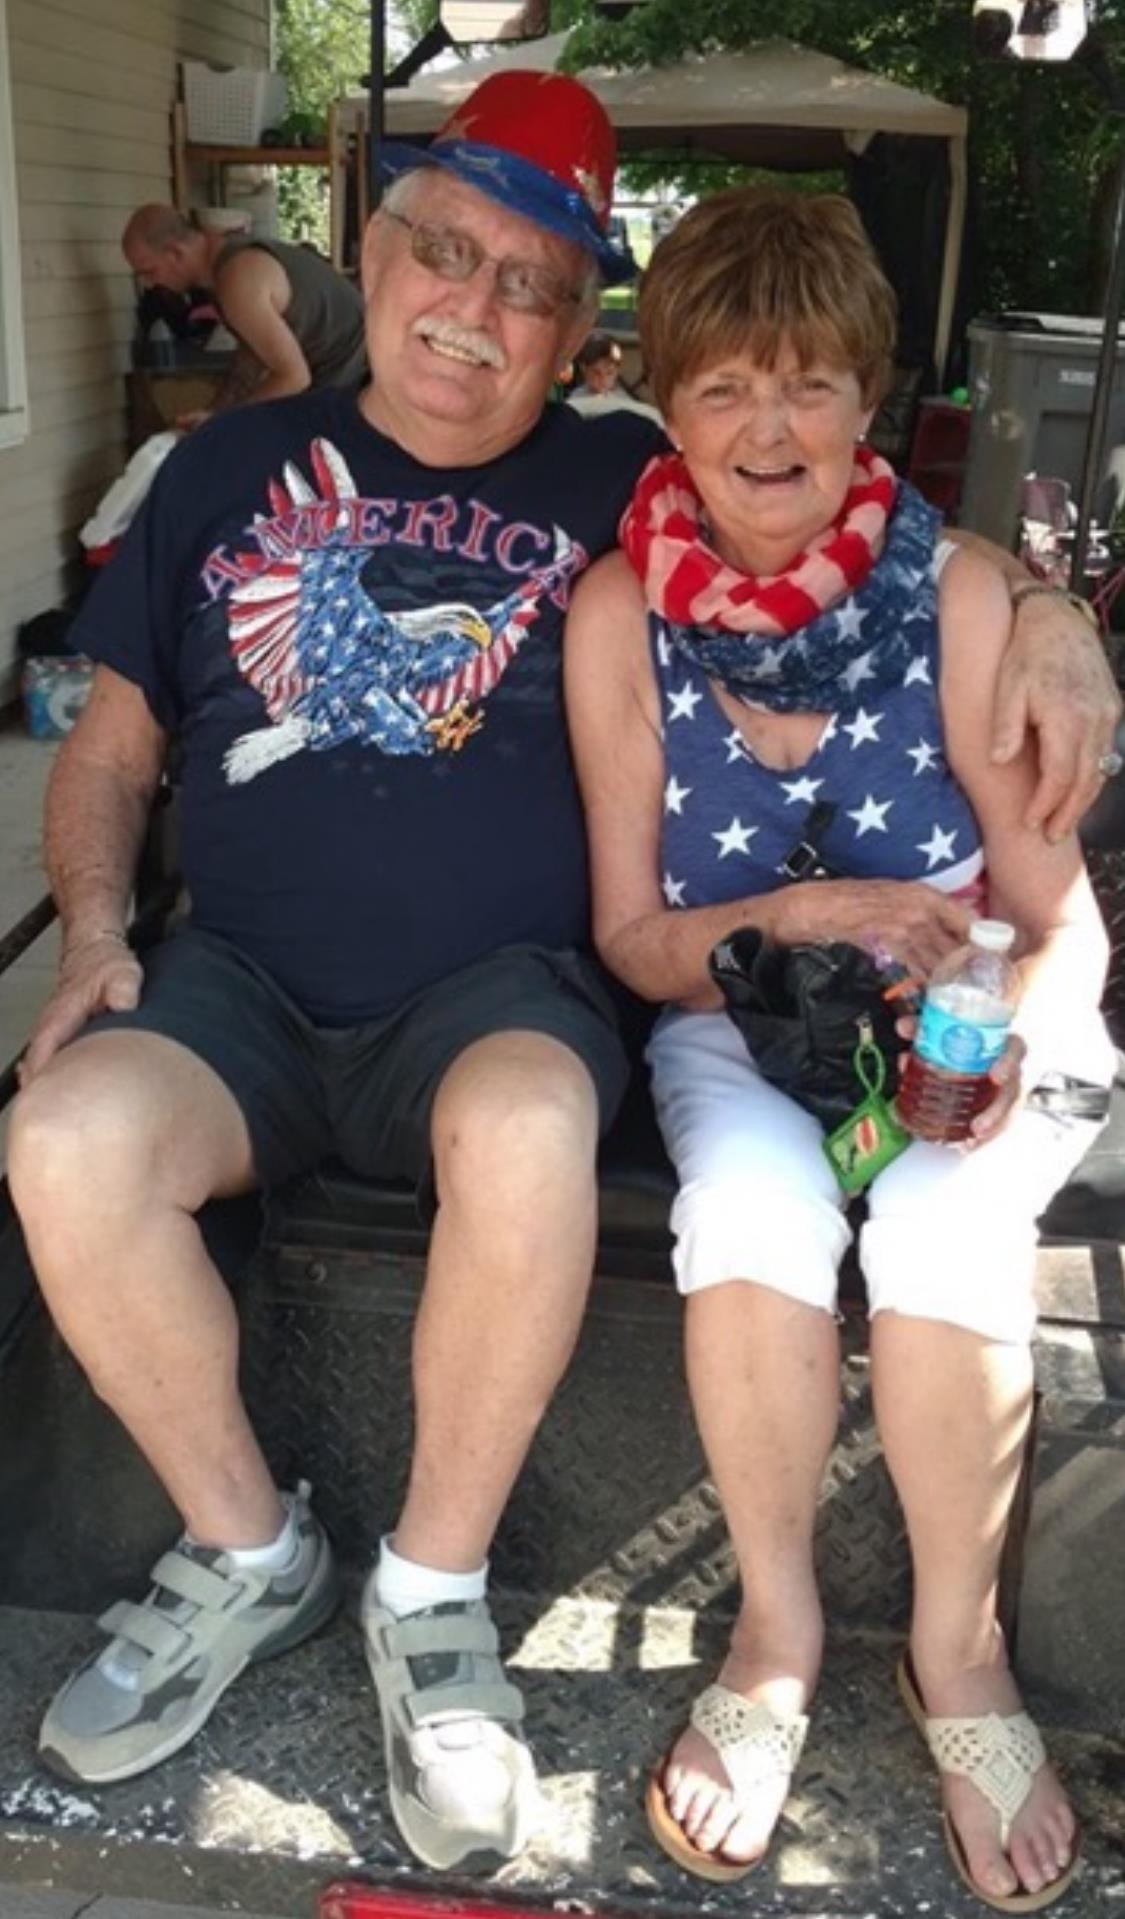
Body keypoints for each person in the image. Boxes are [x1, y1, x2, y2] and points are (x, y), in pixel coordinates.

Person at [6, 68, 1117, 1876]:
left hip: (492, 999)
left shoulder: (628, 471)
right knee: (59, 1136)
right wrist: (106, 928)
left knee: (535, 1122)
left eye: (531, 283)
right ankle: (246, 1547)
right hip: (235, 991)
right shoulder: (219, 469)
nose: (477, 305)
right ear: (373, 254)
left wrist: (1055, 610)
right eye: (445, 253)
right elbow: (113, 750)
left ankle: (432, 1596)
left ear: (580, 327)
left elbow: (841, 510)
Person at [564, 186, 1117, 1911]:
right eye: (724, 386)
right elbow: (633, 939)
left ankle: (959, 1651)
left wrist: (996, 1031)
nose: (768, 428)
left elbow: (1062, 910)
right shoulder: (616, 616)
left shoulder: (960, 597)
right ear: (670, 403)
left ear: (865, 397)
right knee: (744, 1195)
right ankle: (780, 1623)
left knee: (946, 1216)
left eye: (807, 383)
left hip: (968, 1000)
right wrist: (800, 922)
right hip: (745, 1013)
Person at [122, 204, 367, 424]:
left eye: (149, 271)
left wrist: (226, 422)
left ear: (175, 253)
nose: (149, 284)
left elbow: (293, 378)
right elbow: (251, 361)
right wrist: (212, 413)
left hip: (357, 373)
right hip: (334, 374)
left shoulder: (238, 278)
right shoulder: (222, 263)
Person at [568, 328, 662, 422]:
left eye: (609, 373)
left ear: (617, 370)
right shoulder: (575, 400)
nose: (603, 379)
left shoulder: (623, 400)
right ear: (583, 368)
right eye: (596, 372)